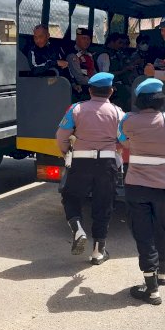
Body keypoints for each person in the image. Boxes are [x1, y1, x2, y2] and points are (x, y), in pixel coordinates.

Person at [120, 78, 165, 305]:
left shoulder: (129, 121)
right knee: (162, 230)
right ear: (160, 100)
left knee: (143, 234)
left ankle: (151, 289)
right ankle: (164, 273)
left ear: (139, 101)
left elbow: (124, 142)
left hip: (136, 186)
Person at [56, 72, 124, 265]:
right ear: (111, 91)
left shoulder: (76, 109)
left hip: (81, 161)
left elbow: (61, 136)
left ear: (90, 90)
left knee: (71, 196)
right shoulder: (119, 113)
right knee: (103, 205)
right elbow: (124, 140)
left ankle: (77, 228)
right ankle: (98, 252)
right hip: (108, 163)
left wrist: (65, 151)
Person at [67, 27, 96, 100]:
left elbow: (93, 71)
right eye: (83, 38)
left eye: (88, 39)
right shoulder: (73, 55)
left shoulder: (89, 55)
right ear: (77, 39)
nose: (86, 41)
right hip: (80, 90)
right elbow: (79, 78)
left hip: (90, 87)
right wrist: (96, 84)